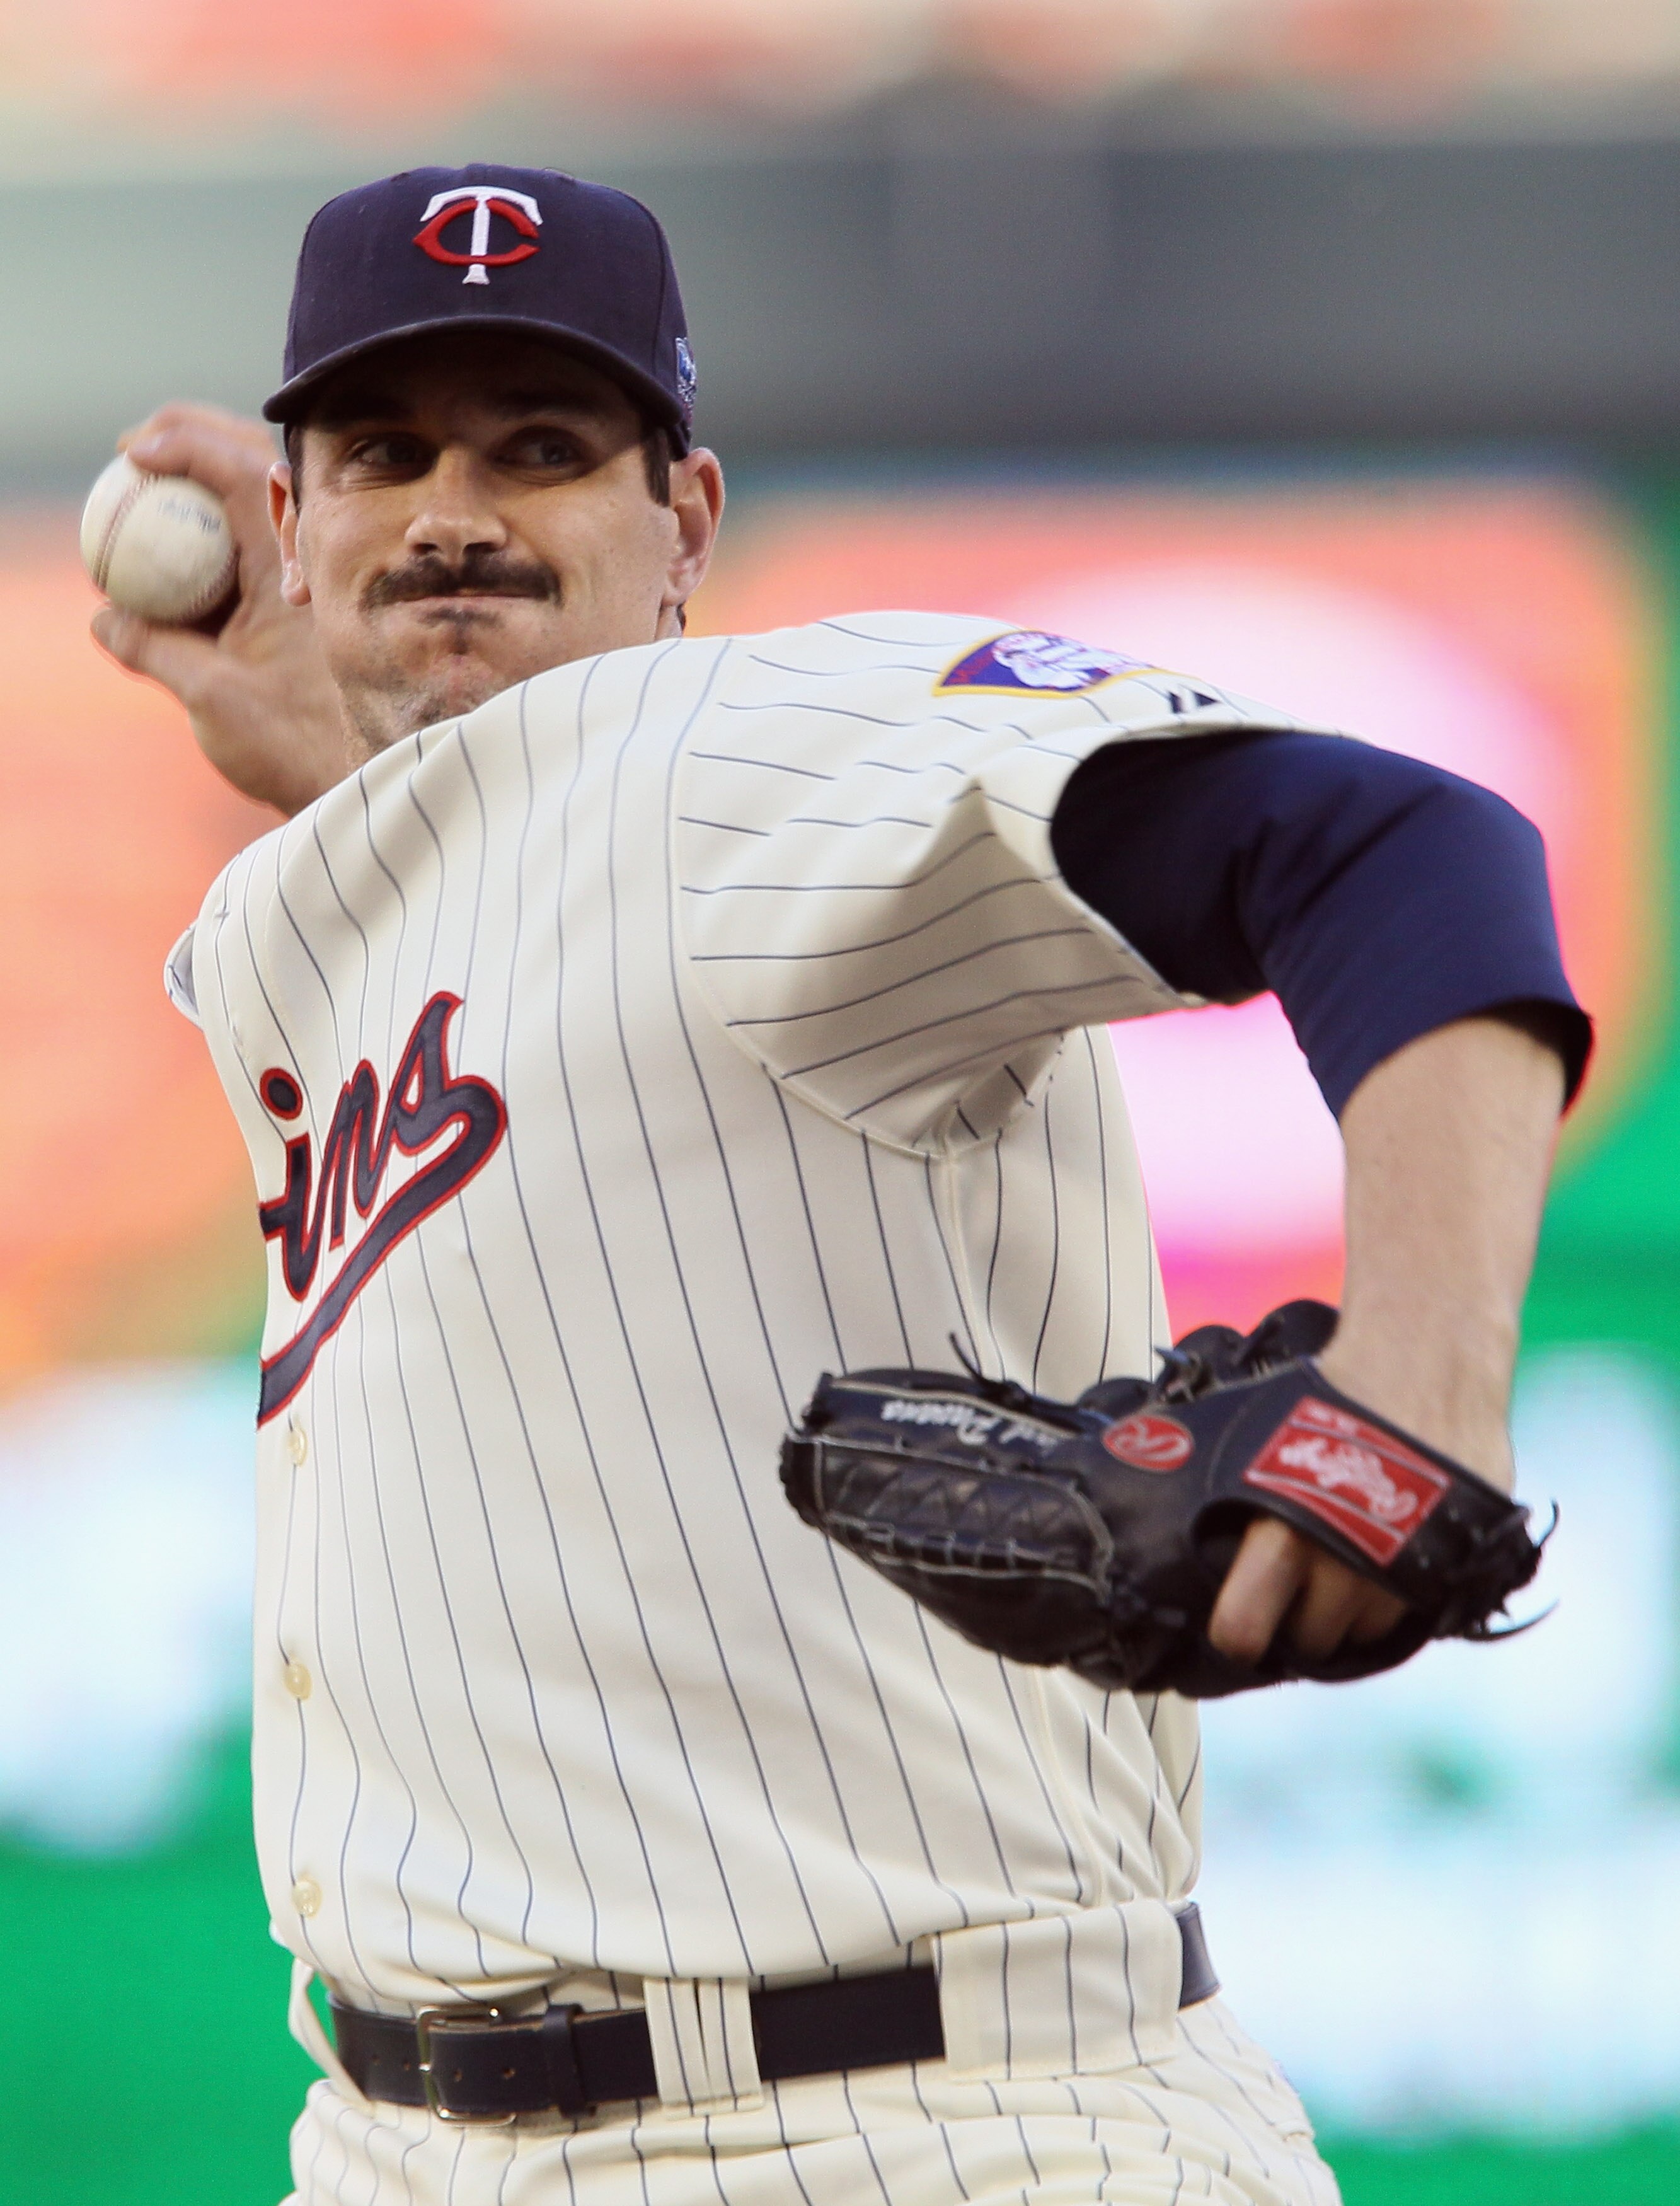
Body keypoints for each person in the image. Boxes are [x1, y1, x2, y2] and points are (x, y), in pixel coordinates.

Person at [95, 166, 1586, 2206]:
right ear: (291, 519)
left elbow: (1392, 843)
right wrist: (380, 773)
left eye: (544, 450)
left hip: (930, 2122)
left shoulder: (768, 737)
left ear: (685, 522)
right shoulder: (335, 902)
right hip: (403, 2147)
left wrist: (1420, 1370)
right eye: (383, 453)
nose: (453, 510)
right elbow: (556, 932)